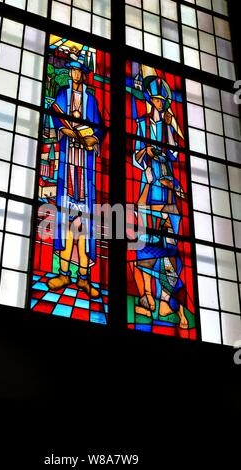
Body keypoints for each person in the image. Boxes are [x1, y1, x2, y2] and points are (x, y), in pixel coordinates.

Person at [133, 76, 188, 329]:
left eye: (162, 101)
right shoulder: (141, 124)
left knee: (171, 247)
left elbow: (176, 153)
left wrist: (171, 132)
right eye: (155, 99)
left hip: (166, 187)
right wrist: (147, 152)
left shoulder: (166, 126)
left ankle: (165, 299)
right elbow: (135, 156)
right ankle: (146, 298)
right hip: (149, 183)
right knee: (144, 244)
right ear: (149, 100)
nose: (158, 104)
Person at [47, 61, 104, 298]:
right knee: (66, 222)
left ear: (84, 73)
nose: (75, 73)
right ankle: (63, 273)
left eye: (78, 70)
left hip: (85, 167)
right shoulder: (62, 95)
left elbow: (99, 129)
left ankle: (83, 277)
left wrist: (93, 139)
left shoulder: (92, 101)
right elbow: (58, 121)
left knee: (84, 223)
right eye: (72, 70)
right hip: (67, 162)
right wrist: (71, 132)